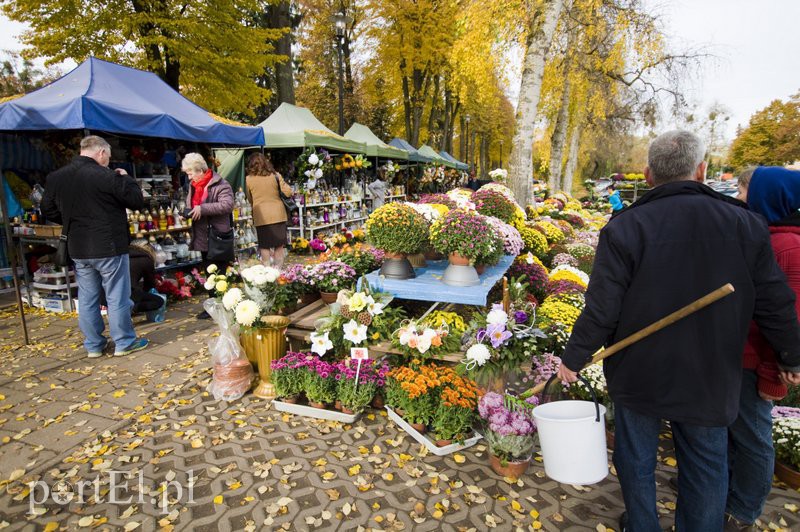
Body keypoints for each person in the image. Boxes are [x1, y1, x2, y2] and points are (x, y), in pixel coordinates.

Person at [555, 130, 800, 531]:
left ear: (648, 174)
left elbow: (602, 307)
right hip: (710, 371)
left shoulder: (626, 226)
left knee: (637, 458)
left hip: (639, 368)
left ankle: (642, 524)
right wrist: (792, 356)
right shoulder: (745, 223)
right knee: (705, 464)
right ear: (701, 170)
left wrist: (574, 357)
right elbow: (776, 302)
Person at [724, 166, 800, 530]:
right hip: (736, 355)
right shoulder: (765, 236)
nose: (740, 198)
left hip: (755, 361)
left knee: (753, 437)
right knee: (732, 429)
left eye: (745, 192)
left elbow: (788, 318)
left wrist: (774, 372)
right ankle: (725, 489)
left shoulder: (787, 247)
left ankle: (743, 510)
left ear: (770, 198)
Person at [42, 136, 149, 357]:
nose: (108, 160)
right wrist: (127, 179)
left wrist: (73, 221)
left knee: (87, 298)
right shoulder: (106, 176)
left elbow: (47, 209)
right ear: (101, 152)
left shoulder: (56, 177)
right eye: (108, 156)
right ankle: (124, 342)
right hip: (109, 245)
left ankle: (93, 346)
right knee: (116, 296)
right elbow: (136, 200)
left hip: (78, 247)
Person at [182, 152, 234, 319]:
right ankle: (214, 306)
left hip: (217, 236)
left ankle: (222, 306)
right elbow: (191, 205)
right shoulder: (193, 185)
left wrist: (202, 209)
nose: (189, 177)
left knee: (219, 272)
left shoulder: (221, 184)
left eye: (190, 173)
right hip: (203, 236)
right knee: (209, 272)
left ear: (200, 170)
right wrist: (188, 212)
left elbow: (227, 205)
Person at [245, 152, 293, 268]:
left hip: (261, 215)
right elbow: (288, 192)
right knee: (279, 245)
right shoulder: (276, 175)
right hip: (278, 214)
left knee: (264, 245)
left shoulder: (248, 179)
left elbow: (250, 198)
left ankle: (267, 271)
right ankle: (278, 270)